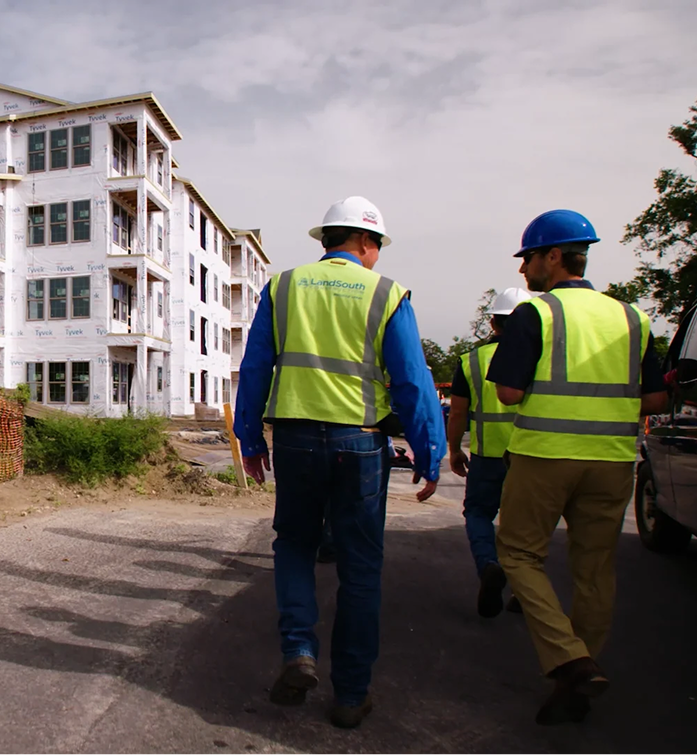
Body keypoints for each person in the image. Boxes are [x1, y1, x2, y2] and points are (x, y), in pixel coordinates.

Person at [234, 196, 445, 729]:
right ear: (367, 244)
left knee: (296, 546)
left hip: (297, 440)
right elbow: (413, 382)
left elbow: (255, 365)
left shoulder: (283, 287)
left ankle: (300, 650)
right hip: (361, 444)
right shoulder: (386, 293)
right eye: (377, 247)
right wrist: (430, 448)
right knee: (360, 569)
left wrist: (249, 438)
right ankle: (351, 694)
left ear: (325, 241)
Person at [486, 209, 667, 725]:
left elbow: (509, 391)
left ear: (552, 256)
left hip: (545, 455)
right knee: (595, 569)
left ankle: (569, 658)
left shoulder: (536, 314)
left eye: (527, 260)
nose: (523, 272)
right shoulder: (633, 318)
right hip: (612, 462)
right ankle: (583, 676)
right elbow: (653, 398)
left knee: (518, 554)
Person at [447, 287, 533, 618]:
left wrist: (455, 450)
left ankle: (488, 565)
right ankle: (526, 588)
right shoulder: (539, 358)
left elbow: (457, 413)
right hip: (529, 456)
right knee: (526, 524)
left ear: (493, 322)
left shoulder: (470, 360)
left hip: (487, 457)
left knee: (479, 514)